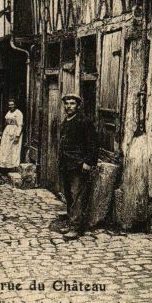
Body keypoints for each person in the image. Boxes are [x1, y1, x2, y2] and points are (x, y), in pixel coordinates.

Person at [58, 93, 99, 238]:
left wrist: (88, 162)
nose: (69, 106)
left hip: (78, 165)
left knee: (77, 196)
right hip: (65, 164)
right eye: (66, 103)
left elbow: (93, 144)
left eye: (72, 103)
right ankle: (71, 223)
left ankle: (76, 228)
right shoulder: (65, 122)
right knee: (69, 196)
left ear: (78, 106)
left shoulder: (84, 122)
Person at [0, 99, 23, 170]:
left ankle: (13, 165)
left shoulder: (18, 113)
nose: (10, 106)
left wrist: (17, 135)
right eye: (9, 105)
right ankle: (5, 165)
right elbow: (6, 122)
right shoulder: (8, 113)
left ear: (15, 105)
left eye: (12, 104)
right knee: (5, 148)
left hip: (14, 131)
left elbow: (20, 125)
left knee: (13, 149)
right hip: (7, 132)